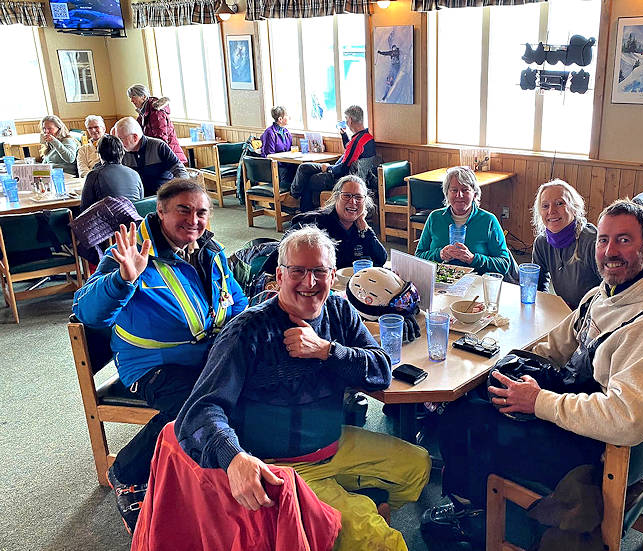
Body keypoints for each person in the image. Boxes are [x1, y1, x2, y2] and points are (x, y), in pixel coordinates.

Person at [423, 200, 643, 549]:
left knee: (465, 420)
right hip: (580, 411)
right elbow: (554, 347)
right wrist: (505, 372)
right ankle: (474, 501)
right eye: (604, 240)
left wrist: (538, 402)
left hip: (599, 450)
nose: (610, 251)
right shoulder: (607, 294)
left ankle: (471, 517)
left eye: (624, 240)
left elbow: (628, 420)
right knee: (474, 395)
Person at [175, 225, 431, 551]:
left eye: (319, 272)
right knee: (381, 542)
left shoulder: (339, 312)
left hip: (332, 445)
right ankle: (341, 523)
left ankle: (338, 521)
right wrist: (235, 458)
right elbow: (199, 412)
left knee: (418, 465)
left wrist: (325, 350)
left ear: (333, 275)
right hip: (281, 465)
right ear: (280, 276)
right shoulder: (247, 331)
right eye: (298, 271)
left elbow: (381, 371)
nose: (309, 283)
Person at [72, 178, 247, 533]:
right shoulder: (132, 252)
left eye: (201, 212)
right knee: (198, 407)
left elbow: (237, 301)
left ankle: (215, 475)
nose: (193, 220)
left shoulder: (208, 251)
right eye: (183, 210)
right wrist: (123, 279)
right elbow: (88, 313)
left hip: (206, 358)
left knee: (256, 388)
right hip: (153, 368)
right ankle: (127, 470)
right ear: (161, 211)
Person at [263, 175, 387, 273]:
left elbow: (381, 259)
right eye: (346, 196)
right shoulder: (313, 222)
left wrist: (364, 226)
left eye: (358, 197)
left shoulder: (361, 228)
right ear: (336, 197)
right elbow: (278, 257)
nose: (353, 201)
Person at [415, 166, 511, 275]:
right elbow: (418, 256)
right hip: (440, 282)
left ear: (474, 193)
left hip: (475, 284)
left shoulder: (488, 220)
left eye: (465, 190)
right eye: (454, 190)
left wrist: (473, 259)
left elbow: (504, 264)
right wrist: (439, 254)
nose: (459, 195)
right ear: (447, 193)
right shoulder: (435, 217)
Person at [531, 179, 601, 309]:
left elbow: (611, 292)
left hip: (594, 315)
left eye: (559, 203)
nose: (551, 211)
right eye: (545, 206)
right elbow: (538, 286)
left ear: (574, 208)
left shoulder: (592, 241)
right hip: (564, 312)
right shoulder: (542, 242)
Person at [290, 105, 375, 212]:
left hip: (340, 177)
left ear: (350, 120)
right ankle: (295, 199)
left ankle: (298, 204)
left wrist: (328, 169)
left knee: (308, 178)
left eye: (346, 119)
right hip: (347, 172)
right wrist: (344, 135)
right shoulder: (367, 137)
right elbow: (350, 151)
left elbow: (343, 169)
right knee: (304, 167)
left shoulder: (356, 142)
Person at [114, 117, 189, 196]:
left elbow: (179, 170)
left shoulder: (158, 146)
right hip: (138, 199)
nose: (119, 143)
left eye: (121, 139)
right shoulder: (122, 152)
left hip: (164, 196)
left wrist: (179, 191)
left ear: (135, 137)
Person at [80, 135, 144, 211]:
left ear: (99, 154)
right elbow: (140, 202)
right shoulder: (134, 174)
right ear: (122, 153)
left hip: (109, 220)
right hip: (134, 219)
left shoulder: (94, 175)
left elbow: (85, 208)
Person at [127, 84, 187, 164]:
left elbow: (161, 139)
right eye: (130, 97)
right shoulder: (144, 112)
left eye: (133, 97)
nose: (132, 100)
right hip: (157, 152)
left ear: (143, 96)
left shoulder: (156, 112)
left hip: (167, 154)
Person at [260, 105, 298, 187]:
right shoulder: (270, 133)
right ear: (280, 119)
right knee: (295, 173)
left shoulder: (286, 132)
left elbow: (289, 151)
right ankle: (289, 196)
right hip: (274, 168)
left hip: (286, 164)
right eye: (287, 116)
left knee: (301, 169)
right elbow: (269, 155)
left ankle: (296, 197)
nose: (289, 118)